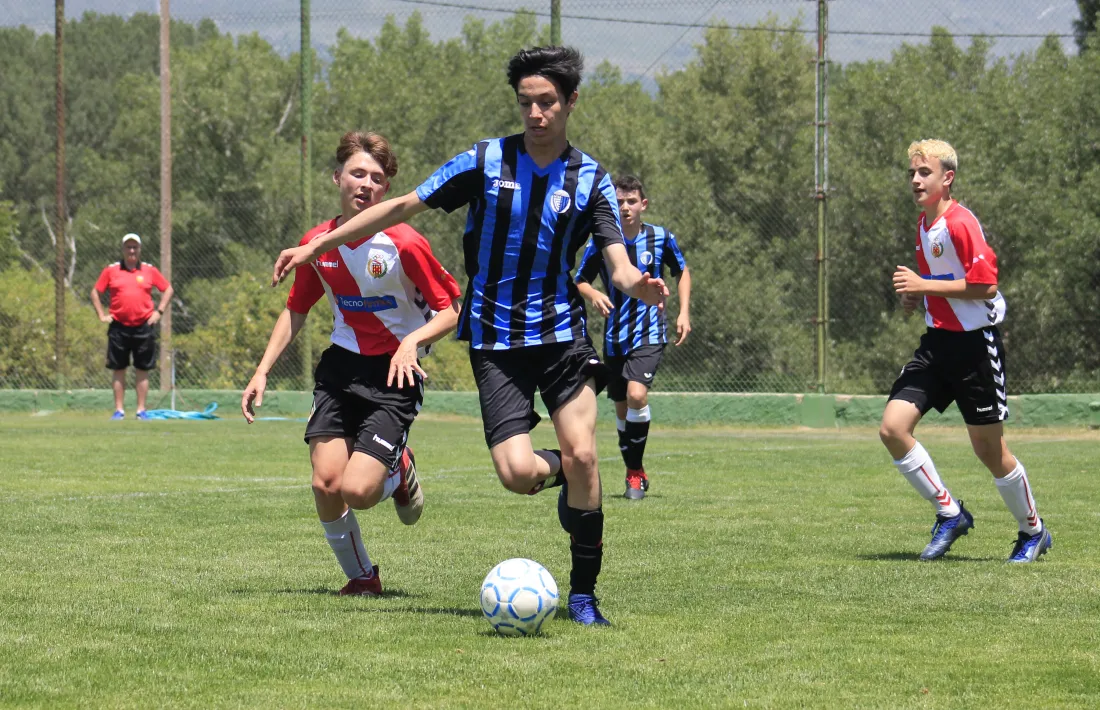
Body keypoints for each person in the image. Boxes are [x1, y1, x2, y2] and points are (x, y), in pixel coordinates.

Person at [271, 47, 668, 625]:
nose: (535, 113)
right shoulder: (484, 161)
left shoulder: (592, 181)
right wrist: (317, 246)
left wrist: (640, 287)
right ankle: (565, 472)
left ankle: (584, 597)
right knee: (517, 474)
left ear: (571, 102)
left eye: (547, 102)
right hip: (495, 343)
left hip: (561, 336)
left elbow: (621, 267)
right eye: (526, 102)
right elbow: (403, 206)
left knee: (585, 452)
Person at [242, 131, 462, 596]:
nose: (366, 184)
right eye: (357, 173)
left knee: (358, 492)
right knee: (326, 484)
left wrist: (412, 342)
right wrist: (261, 371)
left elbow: (451, 311)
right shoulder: (317, 243)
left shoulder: (405, 242)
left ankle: (398, 469)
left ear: (387, 189)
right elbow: (297, 308)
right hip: (341, 368)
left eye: (377, 178)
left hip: (395, 374)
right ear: (337, 177)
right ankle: (362, 579)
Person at [880, 138, 1052, 563]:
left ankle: (1033, 531)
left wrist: (923, 284)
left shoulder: (960, 222)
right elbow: (939, 286)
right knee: (893, 428)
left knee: (989, 452)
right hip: (936, 345)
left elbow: (985, 285)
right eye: (912, 173)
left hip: (976, 347)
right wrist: (916, 296)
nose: (916, 180)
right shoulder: (924, 226)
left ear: (948, 178)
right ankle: (950, 513)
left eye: (925, 172)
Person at [575, 175, 691, 500]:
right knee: (623, 410)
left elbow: (682, 271)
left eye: (631, 201)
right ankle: (634, 470)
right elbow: (580, 280)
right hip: (615, 338)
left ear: (643, 204)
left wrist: (683, 312)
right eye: (619, 202)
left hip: (649, 331)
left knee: (637, 395)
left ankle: (634, 474)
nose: (625, 207)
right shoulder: (602, 242)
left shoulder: (660, 237)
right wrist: (594, 294)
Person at [91, 233, 174, 420]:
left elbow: (168, 289)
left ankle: (140, 410)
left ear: (139, 249)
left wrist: (159, 312)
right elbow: (95, 292)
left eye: (135, 247)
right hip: (118, 327)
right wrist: (101, 315)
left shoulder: (149, 270)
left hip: (143, 326)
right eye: (128, 247)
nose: (131, 251)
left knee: (142, 369)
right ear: (123, 249)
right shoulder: (111, 270)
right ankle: (119, 410)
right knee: (118, 368)